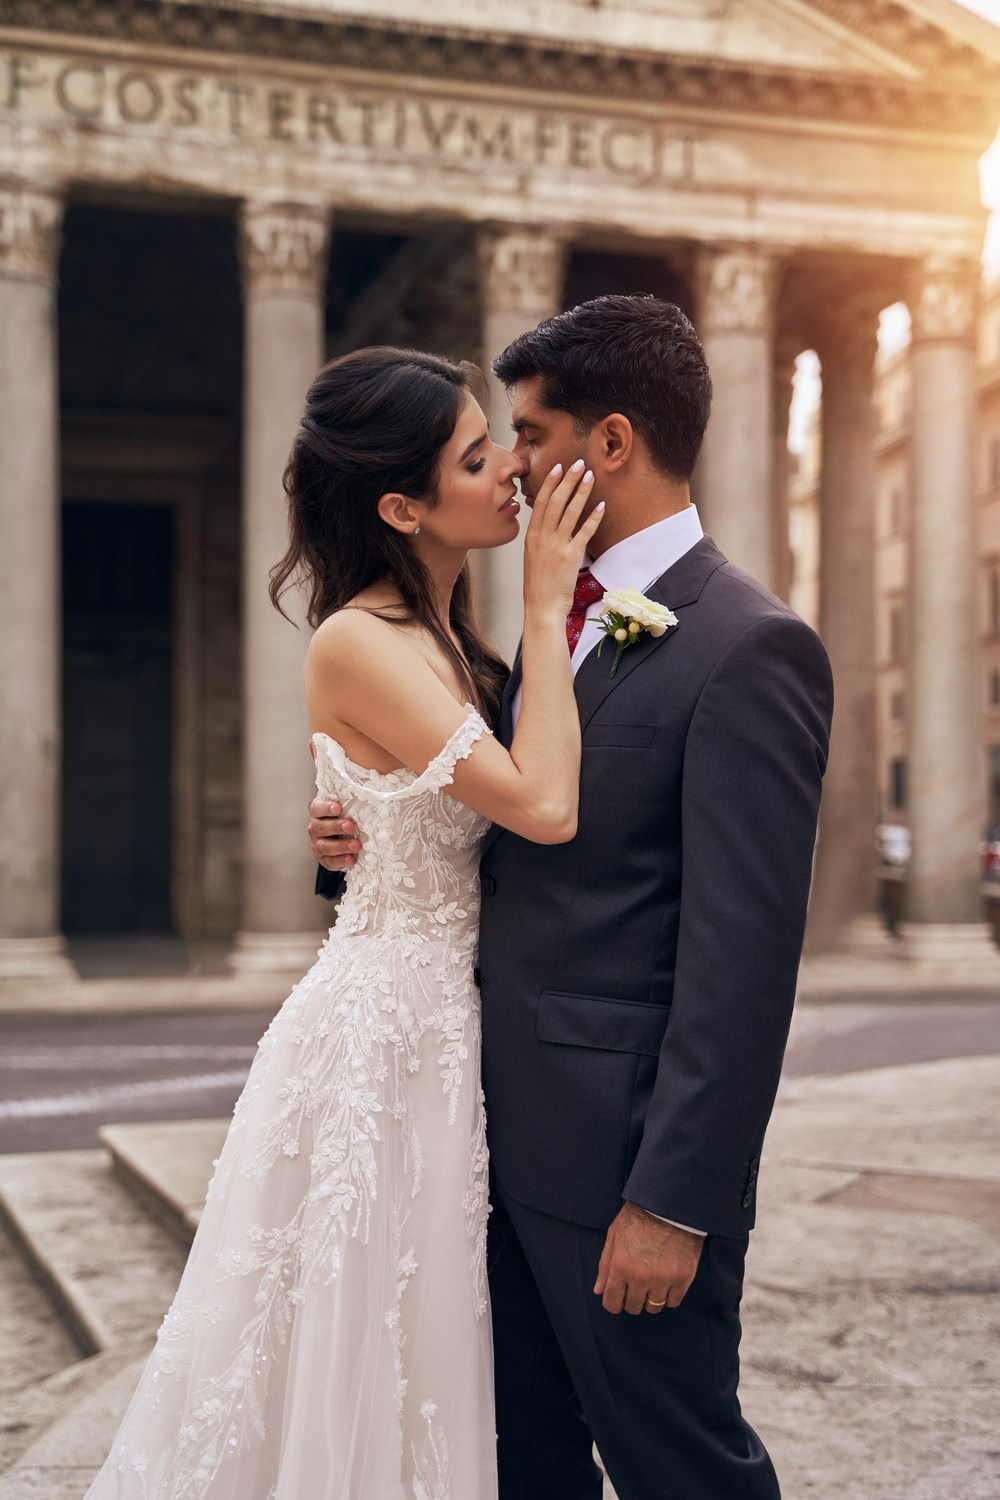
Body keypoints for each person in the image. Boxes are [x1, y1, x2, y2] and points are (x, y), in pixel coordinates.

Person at [311, 296, 834, 1499]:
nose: (513, 471)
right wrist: (352, 833)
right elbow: (469, 830)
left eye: (531, 437)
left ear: (607, 446)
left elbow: (739, 967)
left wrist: (674, 1202)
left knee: (681, 1467)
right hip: (474, 1141)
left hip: (615, 1180)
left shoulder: (747, 647)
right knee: (522, 1469)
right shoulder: (536, 633)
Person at [83, 347, 604, 1500]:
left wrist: (349, 837)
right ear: (401, 505)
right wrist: (554, 600)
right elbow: (544, 805)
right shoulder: (355, 639)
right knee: (354, 1342)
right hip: (384, 1043)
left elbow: (417, 814)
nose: (513, 472)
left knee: (417, 1345)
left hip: (441, 1024)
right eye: (479, 457)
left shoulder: (443, 637)